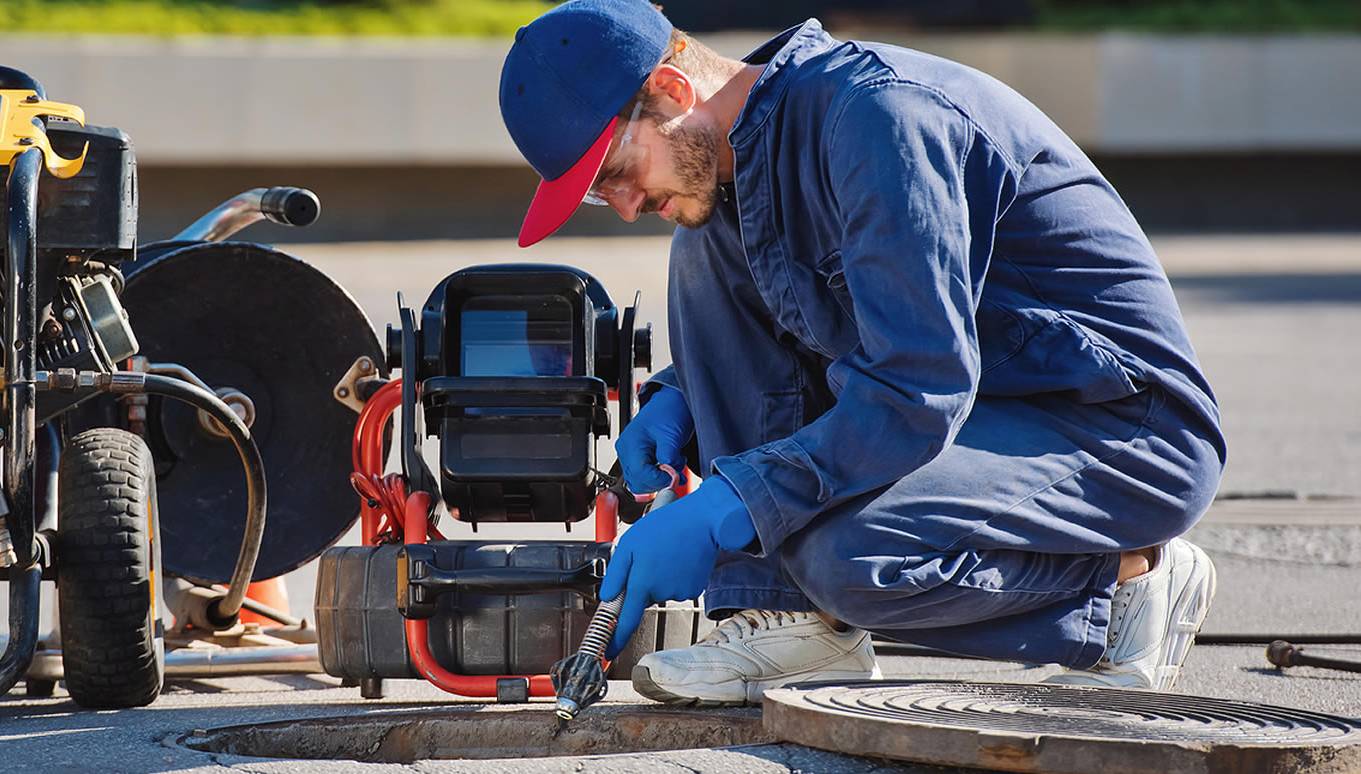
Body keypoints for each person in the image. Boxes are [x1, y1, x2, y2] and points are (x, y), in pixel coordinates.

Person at [497, 0, 1226, 705]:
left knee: (851, 560)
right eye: (599, 195)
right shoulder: (736, 160)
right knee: (701, 239)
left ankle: (1130, 582)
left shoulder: (879, 119)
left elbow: (918, 385)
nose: (622, 205)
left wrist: (738, 499)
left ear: (671, 88)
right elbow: (820, 317)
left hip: (1118, 426)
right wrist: (684, 395)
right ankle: (794, 623)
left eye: (614, 173)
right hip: (983, 405)